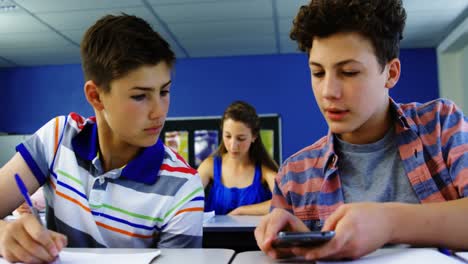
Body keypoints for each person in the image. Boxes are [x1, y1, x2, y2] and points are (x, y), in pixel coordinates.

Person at [254, 0, 468, 261]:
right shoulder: (294, 175)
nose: (328, 92)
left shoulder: (440, 124)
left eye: (349, 72)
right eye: (318, 73)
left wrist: (388, 223)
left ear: (391, 73)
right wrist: (288, 245)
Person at [0, 13, 204, 263]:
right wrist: (4, 234)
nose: (159, 111)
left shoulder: (183, 187)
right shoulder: (57, 137)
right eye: (140, 96)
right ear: (96, 96)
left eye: (164, 91)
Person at [198, 101, 278, 215]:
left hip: (254, 233)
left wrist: (241, 211)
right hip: (213, 234)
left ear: (254, 136)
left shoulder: (264, 170)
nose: (233, 145)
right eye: (228, 136)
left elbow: (285, 203)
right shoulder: (209, 166)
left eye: (241, 138)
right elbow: (187, 200)